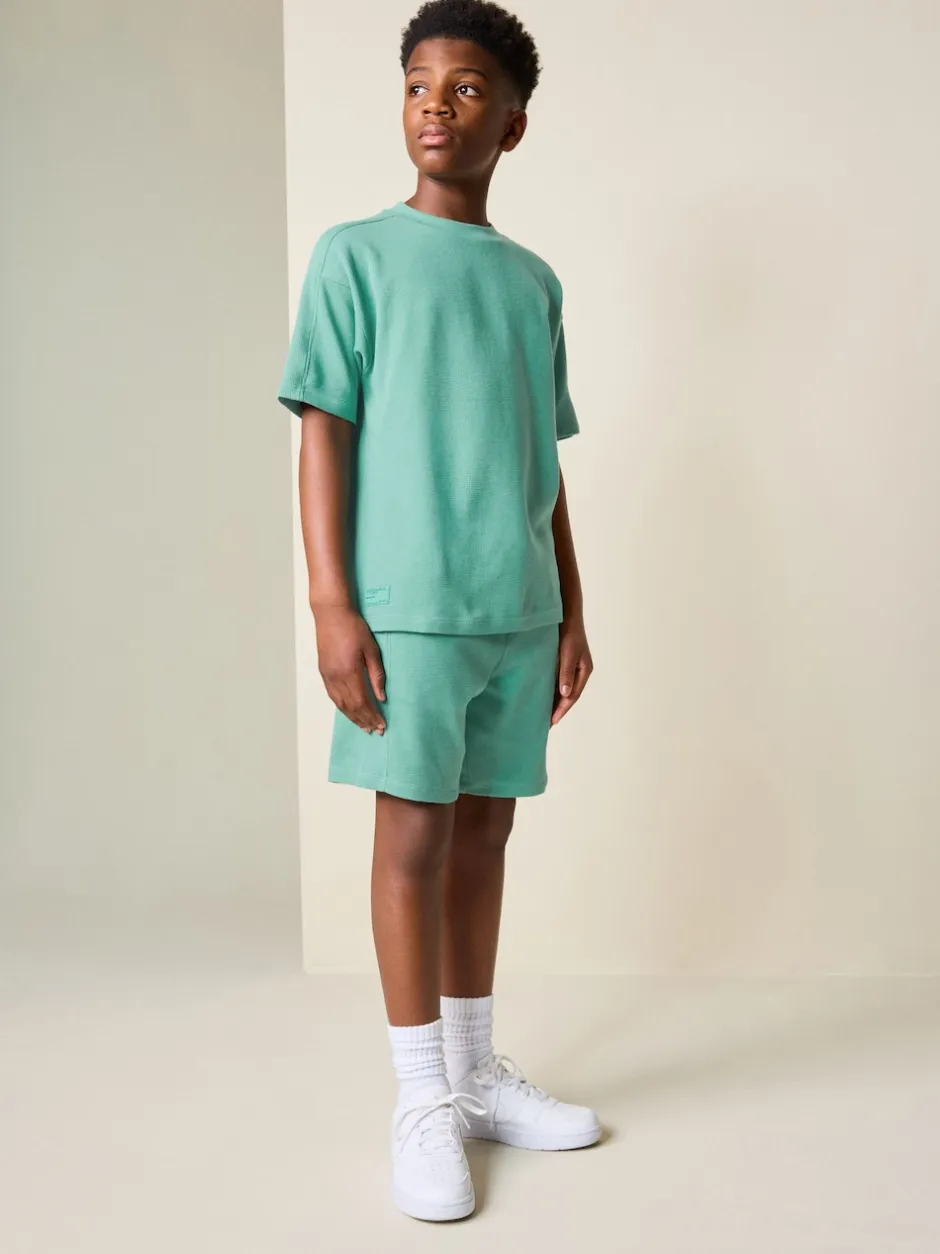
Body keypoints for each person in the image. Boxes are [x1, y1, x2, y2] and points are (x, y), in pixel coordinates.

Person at [277, 0, 599, 1223]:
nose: (436, 104)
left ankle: (473, 1078)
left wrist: (570, 607)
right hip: (405, 612)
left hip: (516, 610)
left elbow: (540, 457)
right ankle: (420, 1098)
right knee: (411, 844)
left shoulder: (531, 282)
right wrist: (331, 602)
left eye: (466, 89)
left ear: (510, 125)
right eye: (419, 83)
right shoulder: (353, 256)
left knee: (485, 840)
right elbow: (324, 429)